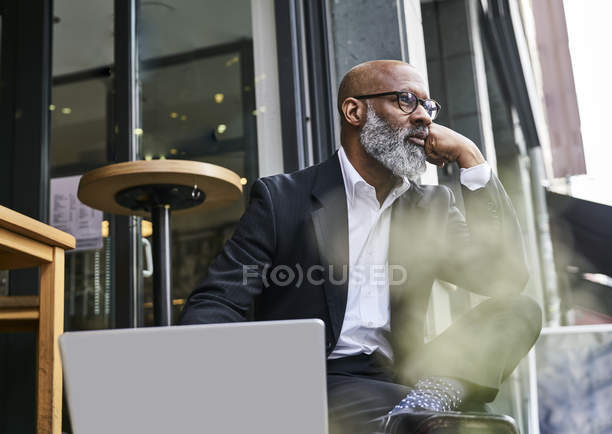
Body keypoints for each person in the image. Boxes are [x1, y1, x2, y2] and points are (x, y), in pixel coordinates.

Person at [179, 59, 542, 433]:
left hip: (405, 377)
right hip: (316, 380)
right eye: (406, 101)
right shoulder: (282, 199)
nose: (423, 118)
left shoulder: (431, 207)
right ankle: (414, 417)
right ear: (355, 111)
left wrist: (473, 160)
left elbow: (504, 277)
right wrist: (232, 386)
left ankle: (426, 404)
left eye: (427, 106)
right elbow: (217, 301)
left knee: (519, 309)